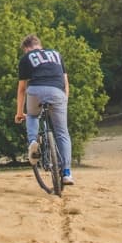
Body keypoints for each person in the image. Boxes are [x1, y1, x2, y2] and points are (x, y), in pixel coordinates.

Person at [14, 33, 74, 185]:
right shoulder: (56, 54)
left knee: (33, 116)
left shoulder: (26, 58)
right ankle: (67, 173)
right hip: (58, 92)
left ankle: (33, 141)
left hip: (36, 91)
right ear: (39, 45)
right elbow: (66, 82)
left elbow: (21, 89)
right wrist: (63, 102)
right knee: (62, 133)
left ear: (27, 48)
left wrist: (20, 113)